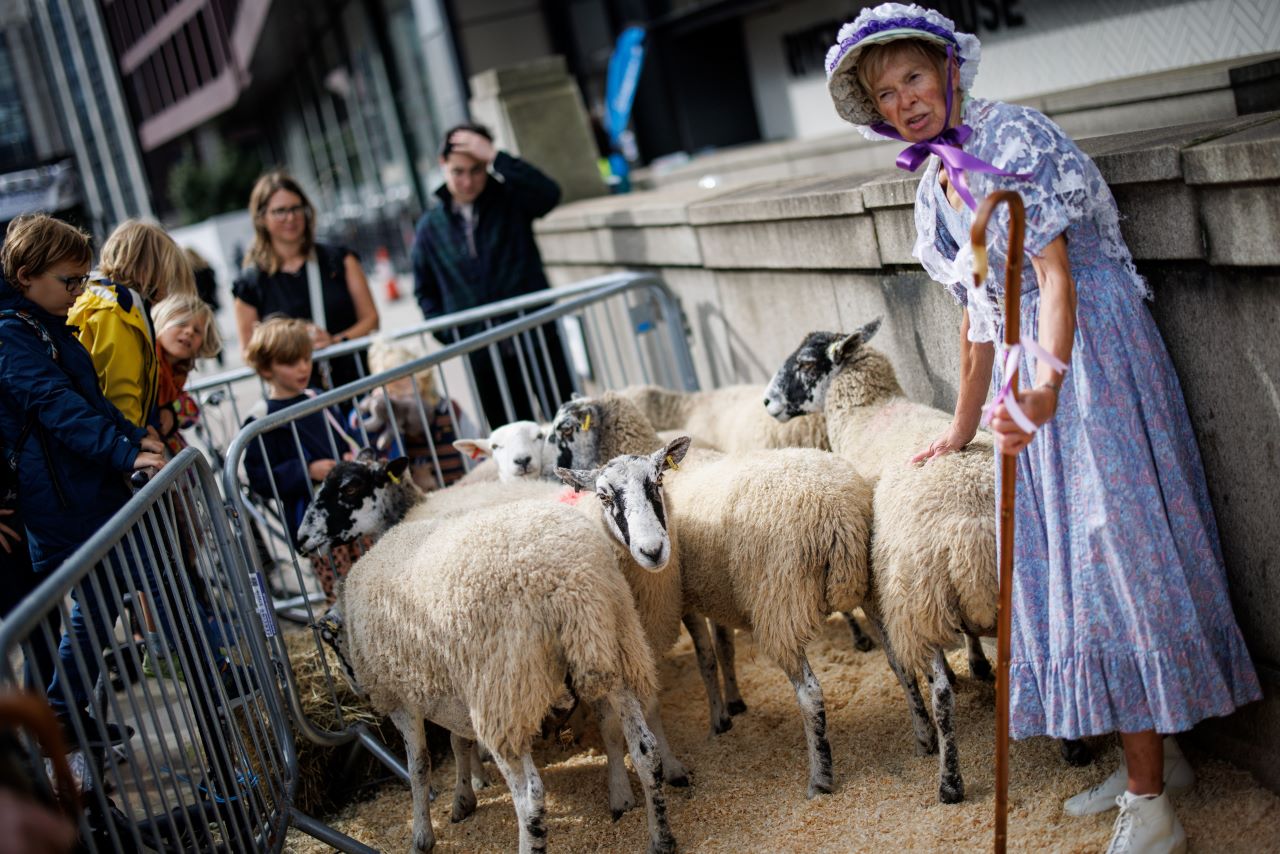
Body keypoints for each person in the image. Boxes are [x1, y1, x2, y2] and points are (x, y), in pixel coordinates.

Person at [824, 6, 1260, 852]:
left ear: (950, 72)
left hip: (1090, 361)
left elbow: (1053, 277)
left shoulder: (1011, 139)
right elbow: (979, 318)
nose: (905, 100)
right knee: (1070, 565)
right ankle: (1158, 762)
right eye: (886, 93)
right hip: (1032, 372)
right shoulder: (935, 190)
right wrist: (959, 428)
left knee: (1113, 554)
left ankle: (1152, 806)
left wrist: (1048, 386)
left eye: (914, 77)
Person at [0, 214, 166, 731]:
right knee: (78, 611)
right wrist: (123, 453)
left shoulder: (49, 329)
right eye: (69, 281)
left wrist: (131, 434)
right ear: (27, 275)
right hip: (57, 500)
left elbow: (87, 399)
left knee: (98, 602)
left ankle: (61, 716)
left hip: (78, 491)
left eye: (82, 280)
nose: (78, 291)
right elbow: (56, 405)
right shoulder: (12, 336)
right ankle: (55, 722)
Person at [411, 123, 575, 429]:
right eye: (458, 171)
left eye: (477, 170)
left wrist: (497, 157)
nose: (468, 181)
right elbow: (425, 291)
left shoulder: (510, 199)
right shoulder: (430, 227)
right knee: (511, 437)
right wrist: (455, 335)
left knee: (566, 422)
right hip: (484, 352)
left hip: (537, 335)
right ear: (442, 164)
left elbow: (549, 194)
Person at [233, 173, 379, 390]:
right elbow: (248, 352)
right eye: (280, 211)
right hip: (296, 397)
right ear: (262, 217)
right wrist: (289, 353)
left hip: (355, 382)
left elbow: (371, 319)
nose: (290, 217)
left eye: (296, 208)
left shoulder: (339, 260)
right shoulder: (251, 282)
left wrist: (335, 342)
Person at [69, 220, 198, 431]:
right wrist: (137, 440)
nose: (169, 287)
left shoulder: (102, 298)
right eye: (168, 274)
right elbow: (121, 393)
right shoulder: (117, 311)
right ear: (149, 270)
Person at [152, 293, 222, 456]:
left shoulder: (178, 376)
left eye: (197, 331)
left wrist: (172, 413)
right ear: (161, 321)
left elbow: (192, 411)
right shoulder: (150, 364)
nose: (189, 332)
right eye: (181, 323)